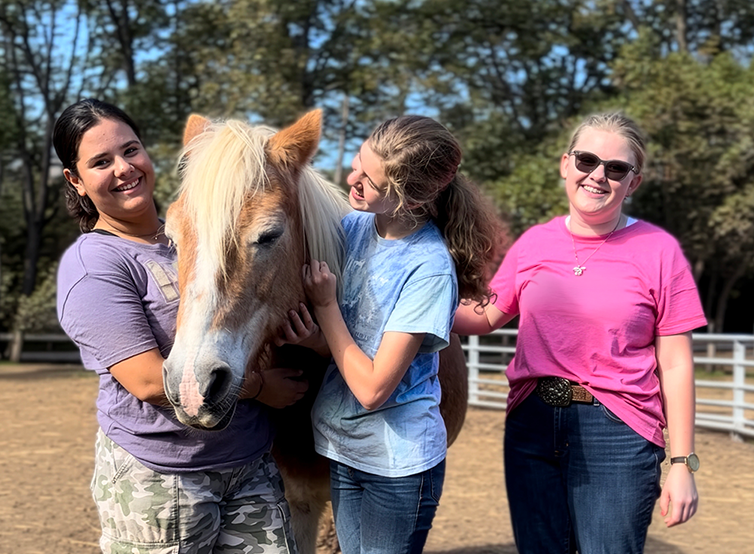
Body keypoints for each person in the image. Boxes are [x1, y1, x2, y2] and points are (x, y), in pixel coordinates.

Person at [53, 98, 307, 554]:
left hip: (250, 465)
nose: (123, 168)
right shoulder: (94, 264)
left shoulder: (199, 232)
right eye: (100, 162)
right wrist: (260, 388)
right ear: (77, 181)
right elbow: (150, 382)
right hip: (163, 477)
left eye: (130, 150)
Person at [453, 112, 707, 554]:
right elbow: (483, 315)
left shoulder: (659, 250)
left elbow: (676, 362)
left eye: (616, 168)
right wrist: (406, 297)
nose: (598, 176)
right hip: (532, 422)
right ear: (565, 164)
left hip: (619, 430)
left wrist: (682, 463)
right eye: (587, 160)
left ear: (634, 182)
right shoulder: (534, 242)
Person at [279, 115, 502, 554]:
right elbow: (353, 347)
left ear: (411, 197)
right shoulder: (354, 228)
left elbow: (374, 388)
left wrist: (325, 308)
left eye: (370, 180)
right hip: (344, 447)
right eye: (358, 163)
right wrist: (312, 342)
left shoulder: (428, 269)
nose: (352, 179)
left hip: (395, 465)